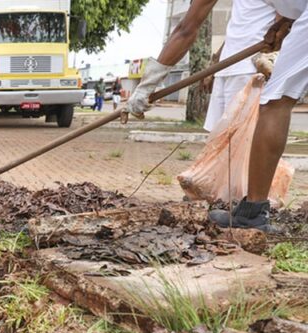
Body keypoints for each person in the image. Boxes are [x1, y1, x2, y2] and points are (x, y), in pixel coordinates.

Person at [125, 0, 302, 232]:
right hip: (245, 57)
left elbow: (186, 28)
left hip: (250, 65)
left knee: (273, 106)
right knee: (244, 130)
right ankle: (245, 208)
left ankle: (251, 209)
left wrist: (148, 83)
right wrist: (285, 23)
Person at [203, 0, 279, 131]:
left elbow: (285, 21)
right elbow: (234, 30)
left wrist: (271, 56)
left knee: (239, 133)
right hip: (225, 65)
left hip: (249, 65)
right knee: (217, 133)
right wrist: (214, 65)